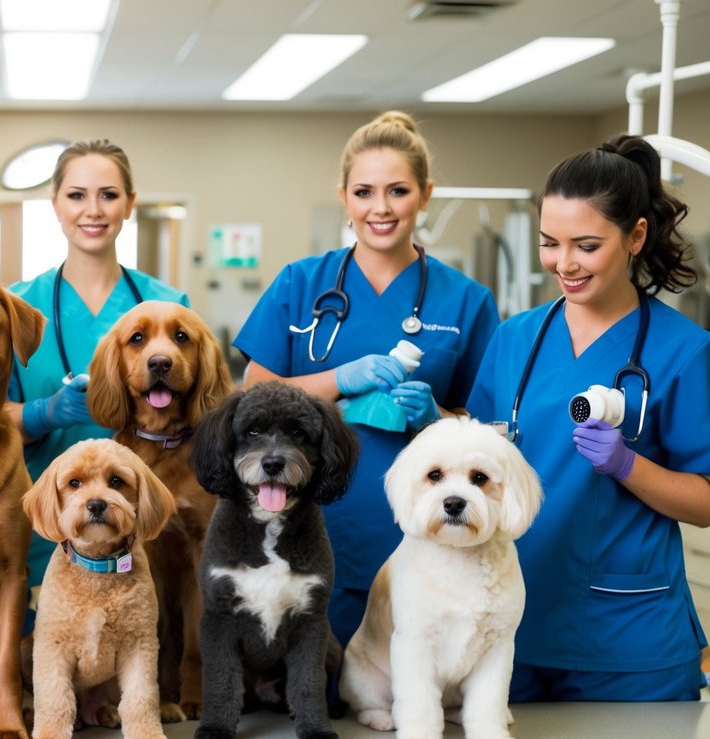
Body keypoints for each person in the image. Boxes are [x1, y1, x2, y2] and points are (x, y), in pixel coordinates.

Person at [233, 112, 500, 645]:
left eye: (398, 191)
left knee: (408, 673)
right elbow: (254, 393)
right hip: (308, 517)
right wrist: (339, 377)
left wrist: (437, 418)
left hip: (421, 533)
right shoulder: (301, 283)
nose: (381, 208)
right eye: (364, 192)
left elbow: (486, 428)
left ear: (425, 195)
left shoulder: (467, 301)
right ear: (344, 197)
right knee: (310, 674)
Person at [466, 135, 710, 702]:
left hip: (629, 639)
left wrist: (628, 465)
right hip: (513, 624)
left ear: (636, 236)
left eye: (587, 245)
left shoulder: (683, 351)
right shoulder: (515, 339)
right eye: (550, 244)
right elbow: (474, 463)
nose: (564, 263)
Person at [6, 139, 189, 618]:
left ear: (129, 203)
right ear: (55, 204)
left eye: (108, 195)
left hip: (138, 521)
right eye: (76, 195)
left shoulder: (168, 306)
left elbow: (193, 414)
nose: (93, 210)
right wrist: (44, 413)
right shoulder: (17, 306)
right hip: (49, 521)